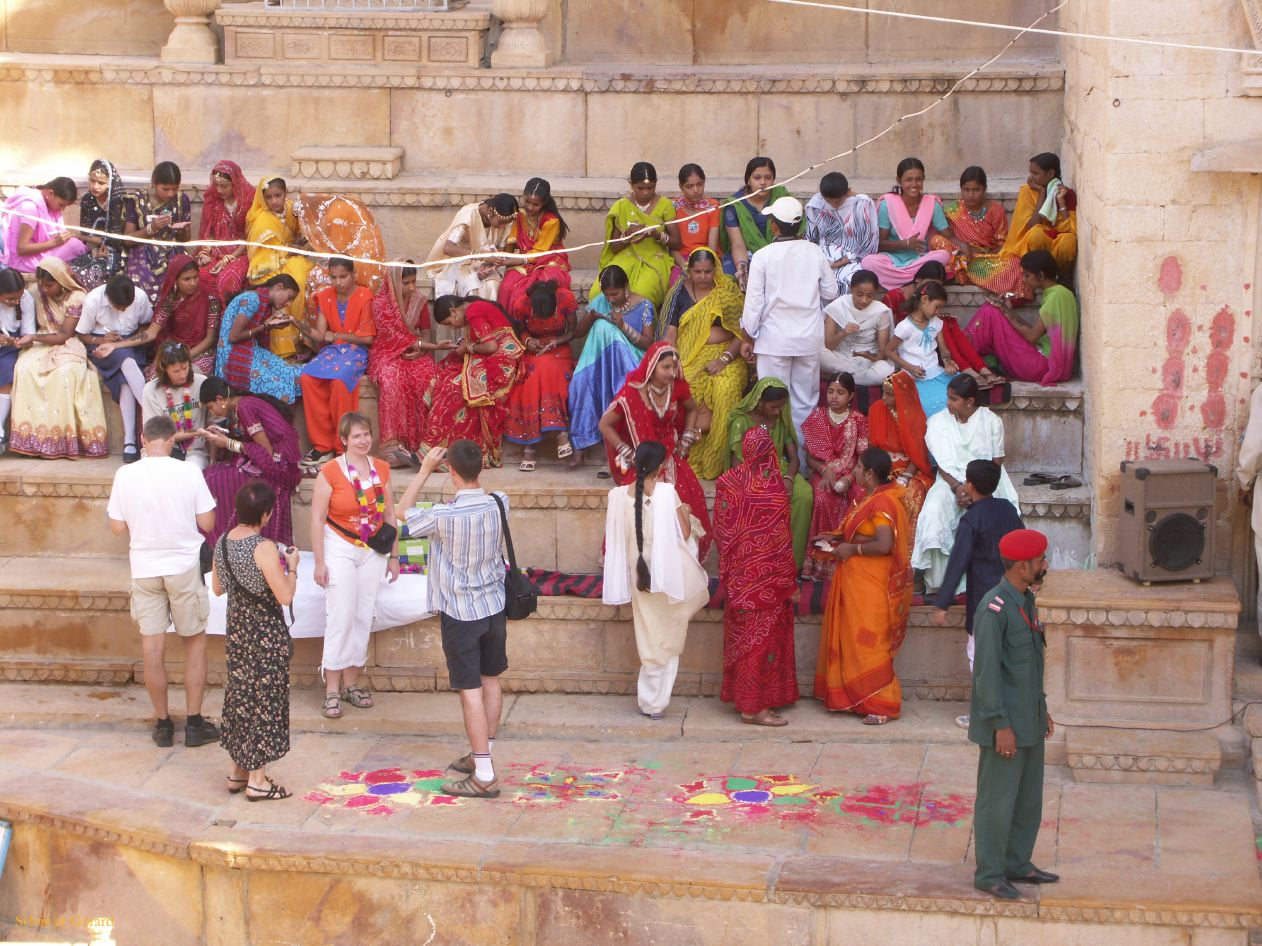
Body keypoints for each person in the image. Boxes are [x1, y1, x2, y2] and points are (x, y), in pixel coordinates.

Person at [398, 440, 512, 799]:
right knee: (490, 680)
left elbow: (403, 511)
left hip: (461, 613)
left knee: (470, 691)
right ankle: (484, 758)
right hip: (494, 606)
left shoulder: (444, 515)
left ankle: (483, 774)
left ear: (450, 471)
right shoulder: (500, 502)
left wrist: (423, 470)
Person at [106, 415, 219, 749]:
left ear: (142, 439)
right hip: (183, 565)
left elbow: (116, 527)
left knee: (151, 650)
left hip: (144, 567)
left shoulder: (125, 474)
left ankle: (163, 724)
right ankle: (195, 724)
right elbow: (208, 523)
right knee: (194, 644)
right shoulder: (188, 472)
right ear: (172, 440)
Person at [970, 528, 1058, 900]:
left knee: (1027, 798)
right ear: (1022, 566)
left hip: (1030, 720)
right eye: (1039, 561)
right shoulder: (994, 609)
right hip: (1005, 725)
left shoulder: (1026, 602)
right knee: (997, 799)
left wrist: (1043, 710)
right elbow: (987, 675)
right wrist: (1000, 726)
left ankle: (1017, 862)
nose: (1044, 565)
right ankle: (990, 872)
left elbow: (1028, 666)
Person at [602, 440, 709, 720]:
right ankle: (656, 703)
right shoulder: (667, 493)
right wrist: (685, 511)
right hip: (666, 576)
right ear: (660, 467)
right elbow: (686, 534)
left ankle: (649, 702)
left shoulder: (617, 497)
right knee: (669, 634)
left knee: (648, 635)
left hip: (640, 577)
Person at [212, 478, 298, 802]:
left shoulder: (222, 542)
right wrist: (293, 569)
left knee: (241, 696)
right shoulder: (263, 547)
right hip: (264, 635)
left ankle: (238, 771)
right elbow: (285, 596)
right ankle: (258, 781)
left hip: (237, 631)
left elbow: (217, 589)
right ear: (264, 513)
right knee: (266, 702)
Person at [812, 447, 912, 724]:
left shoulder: (884, 503)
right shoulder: (872, 497)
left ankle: (883, 704)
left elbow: (884, 544)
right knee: (854, 641)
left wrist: (852, 550)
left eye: (857, 467)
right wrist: (833, 537)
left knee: (869, 642)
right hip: (856, 581)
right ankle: (854, 698)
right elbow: (860, 533)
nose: (853, 471)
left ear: (869, 474)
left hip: (871, 584)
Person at [310, 413, 399, 719]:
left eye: (367, 435)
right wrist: (319, 561)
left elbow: (390, 515)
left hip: (373, 550)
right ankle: (332, 688)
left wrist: (396, 556)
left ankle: (352, 683)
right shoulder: (331, 471)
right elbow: (317, 519)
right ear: (344, 440)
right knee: (341, 614)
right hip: (340, 547)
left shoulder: (382, 469)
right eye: (356, 436)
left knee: (363, 614)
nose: (363, 440)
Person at [931, 459, 1025, 729]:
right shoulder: (1007, 509)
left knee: (981, 658)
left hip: (984, 601)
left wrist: (942, 603)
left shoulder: (971, 520)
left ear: (969, 485)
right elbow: (1022, 543)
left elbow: (958, 563)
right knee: (1006, 655)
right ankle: (1009, 709)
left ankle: (986, 713)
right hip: (1012, 596)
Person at [714, 427, 799, 727]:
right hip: (767, 581)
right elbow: (781, 541)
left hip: (739, 579)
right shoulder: (774, 487)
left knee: (745, 639)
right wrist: (789, 581)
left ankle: (746, 699)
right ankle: (753, 708)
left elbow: (721, 531)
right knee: (760, 644)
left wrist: (732, 567)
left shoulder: (727, 482)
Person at [598, 342, 713, 562]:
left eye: (674, 367)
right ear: (652, 367)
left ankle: (675, 564)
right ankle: (641, 565)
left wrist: (687, 437)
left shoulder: (678, 387)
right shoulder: (632, 391)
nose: (672, 373)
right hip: (643, 461)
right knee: (635, 510)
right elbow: (605, 424)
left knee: (683, 503)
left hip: (670, 457)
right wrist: (627, 452)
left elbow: (692, 409)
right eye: (666, 367)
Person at [740, 195, 838, 442]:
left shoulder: (763, 256)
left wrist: (747, 336)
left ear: (774, 225)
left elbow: (754, 304)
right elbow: (831, 292)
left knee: (771, 402)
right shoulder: (814, 252)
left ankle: (774, 461)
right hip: (807, 340)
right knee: (805, 402)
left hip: (774, 341)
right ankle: (803, 464)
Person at [913, 374, 1019, 594]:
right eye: (948, 397)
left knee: (997, 512)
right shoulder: (937, 422)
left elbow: (996, 462)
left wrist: (978, 491)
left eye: (953, 399)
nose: (948, 403)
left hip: (987, 481)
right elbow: (942, 462)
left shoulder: (991, 421)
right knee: (934, 510)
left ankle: (995, 579)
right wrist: (958, 487)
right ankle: (935, 580)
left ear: (970, 401)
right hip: (950, 480)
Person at [658, 247, 746, 479]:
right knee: (685, 383)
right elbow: (671, 334)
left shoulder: (726, 291)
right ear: (689, 272)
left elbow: (741, 333)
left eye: (708, 271)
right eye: (698, 272)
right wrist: (671, 363)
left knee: (725, 389)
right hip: (688, 355)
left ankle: (718, 461)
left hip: (727, 356)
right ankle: (690, 444)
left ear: (715, 269)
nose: (703, 277)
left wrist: (724, 359)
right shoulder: (679, 294)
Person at [8, 260, 108, 459]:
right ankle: (33, 441)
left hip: (68, 343)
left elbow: (65, 335)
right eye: (41, 284)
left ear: (61, 281)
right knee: (24, 368)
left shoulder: (78, 297)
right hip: (40, 342)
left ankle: (60, 441)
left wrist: (34, 337)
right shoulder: (35, 293)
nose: (44, 289)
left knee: (65, 373)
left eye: (49, 285)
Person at [420, 295, 524, 468]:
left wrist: (468, 348)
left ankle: (449, 455)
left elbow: (491, 347)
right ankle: (434, 448)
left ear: (454, 311)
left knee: (455, 387)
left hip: (502, 361)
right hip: (494, 356)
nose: (451, 328)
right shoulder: (473, 309)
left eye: (448, 323)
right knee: (447, 370)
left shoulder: (473, 311)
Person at [567, 265, 654, 470]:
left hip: (631, 360)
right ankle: (581, 444)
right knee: (579, 384)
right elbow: (578, 333)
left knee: (606, 328)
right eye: (607, 295)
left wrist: (623, 327)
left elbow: (648, 344)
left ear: (626, 287)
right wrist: (592, 317)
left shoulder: (644, 305)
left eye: (615, 294)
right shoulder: (600, 302)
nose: (611, 299)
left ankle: (618, 451)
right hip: (601, 362)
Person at [199, 377, 302, 547]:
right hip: (274, 460)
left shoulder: (244, 407)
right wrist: (223, 436)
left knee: (215, 480)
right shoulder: (242, 405)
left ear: (219, 399)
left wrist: (227, 443)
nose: (213, 412)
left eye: (211, 407)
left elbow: (266, 452)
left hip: (280, 464)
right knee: (212, 474)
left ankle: (223, 543)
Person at [294, 258, 376, 465]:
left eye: (343, 276)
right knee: (307, 377)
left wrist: (338, 334)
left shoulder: (365, 295)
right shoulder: (325, 296)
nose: (338, 282)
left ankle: (342, 446)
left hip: (357, 352)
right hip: (333, 351)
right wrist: (295, 323)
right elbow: (321, 335)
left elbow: (367, 338)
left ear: (353, 275)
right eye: (333, 277)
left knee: (339, 382)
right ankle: (322, 446)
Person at [727, 377, 813, 570]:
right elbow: (736, 465)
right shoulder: (741, 421)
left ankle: (791, 565)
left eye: (781, 407)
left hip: (781, 470)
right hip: (751, 474)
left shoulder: (779, 419)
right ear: (759, 402)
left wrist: (789, 478)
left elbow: (794, 458)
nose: (777, 411)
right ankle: (762, 566)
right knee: (765, 501)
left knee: (804, 495)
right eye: (773, 407)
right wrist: (759, 483)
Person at [370, 260, 446, 468]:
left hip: (416, 353)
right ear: (394, 282)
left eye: (413, 282)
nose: (412, 287)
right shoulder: (380, 305)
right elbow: (388, 336)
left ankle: (424, 446)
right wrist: (418, 344)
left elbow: (426, 332)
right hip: (388, 353)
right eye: (406, 283)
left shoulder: (419, 301)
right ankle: (395, 449)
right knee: (391, 379)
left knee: (428, 375)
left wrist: (422, 349)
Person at [967, 250, 1080, 387]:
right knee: (994, 311)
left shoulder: (1055, 296)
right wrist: (1009, 312)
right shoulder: (1062, 293)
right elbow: (1035, 331)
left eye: (1027, 275)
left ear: (1040, 275)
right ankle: (969, 356)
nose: (1024, 280)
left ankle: (965, 355)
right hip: (1051, 365)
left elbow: (1031, 336)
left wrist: (1006, 313)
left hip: (1041, 366)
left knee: (990, 311)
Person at [886, 260, 1002, 389]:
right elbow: (889, 332)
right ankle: (968, 369)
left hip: (929, 347)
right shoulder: (895, 298)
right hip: (907, 345)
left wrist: (947, 361)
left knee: (946, 322)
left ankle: (981, 369)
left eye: (937, 287)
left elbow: (942, 346)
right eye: (929, 285)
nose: (932, 289)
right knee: (944, 324)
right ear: (918, 279)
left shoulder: (932, 310)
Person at [77, 273, 154, 463]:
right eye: (118, 306)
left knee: (125, 382)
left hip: (131, 344)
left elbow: (146, 325)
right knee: (126, 362)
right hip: (101, 347)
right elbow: (82, 335)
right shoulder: (94, 299)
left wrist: (129, 340)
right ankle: (153, 411)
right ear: (108, 297)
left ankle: (130, 441)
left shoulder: (140, 297)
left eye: (126, 307)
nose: (122, 309)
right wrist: (101, 339)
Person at [801, 372, 869, 581]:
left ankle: (849, 564)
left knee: (859, 501)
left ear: (850, 396)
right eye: (830, 391)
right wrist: (824, 470)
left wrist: (849, 478)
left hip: (853, 474)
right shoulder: (817, 417)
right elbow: (810, 457)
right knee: (822, 499)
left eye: (840, 392)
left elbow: (863, 456)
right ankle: (821, 563)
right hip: (823, 473)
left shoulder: (859, 420)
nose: (834, 396)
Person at [504, 280, 577, 470]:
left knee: (546, 368)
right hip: (534, 349)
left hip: (559, 349)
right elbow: (518, 331)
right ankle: (557, 434)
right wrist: (528, 340)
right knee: (531, 378)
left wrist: (556, 341)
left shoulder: (565, 298)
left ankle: (531, 447)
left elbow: (572, 331)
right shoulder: (522, 304)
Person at [861, 157, 957, 290]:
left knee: (943, 256)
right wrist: (905, 244)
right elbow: (879, 244)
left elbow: (948, 235)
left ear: (923, 179)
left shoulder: (931, 204)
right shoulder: (887, 204)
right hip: (892, 260)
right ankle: (915, 280)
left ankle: (899, 280)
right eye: (908, 180)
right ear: (899, 180)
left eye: (918, 179)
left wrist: (964, 246)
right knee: (868, 262)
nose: (914, 184)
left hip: (919, 259)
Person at [931, 166, 1026, 299]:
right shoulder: (952, 210)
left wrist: (982, 254)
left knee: (1016, 262)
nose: (970, 195)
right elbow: (945, 237)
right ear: (961, 189)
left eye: (976, 190)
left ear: (984, 189)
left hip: (987, 260)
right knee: (936, 240)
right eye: (966, 190)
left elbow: (1002, 244)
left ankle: (961, 274)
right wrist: (964, 248)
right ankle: (964, 271)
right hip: (962, 256)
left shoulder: (996, 211)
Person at [592, 162, 677, 311]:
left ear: (656, 184)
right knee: (597, 291)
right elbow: (615, 247)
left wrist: (656, 234)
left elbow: (677, 242)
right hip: (626, 255)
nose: (645, 192)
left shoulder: (665, 205)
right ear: (631, 185)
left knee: (643, 292)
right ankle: (606, 329)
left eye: (650, 187)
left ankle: (639, 331)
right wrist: (628, 235)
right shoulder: (622, 206)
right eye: (640, 188)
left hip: (655, 258)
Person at [245, 176, 312, 355]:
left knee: (304, 271)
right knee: (295, 277)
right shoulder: (263, 219)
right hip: (268, 263)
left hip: (291, 256)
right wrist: (292, 250)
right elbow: (266, 253)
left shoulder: (291, 209)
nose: (274, 201)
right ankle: (283, 347)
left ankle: (302, 339)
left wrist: (303, 244)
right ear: (262, 198)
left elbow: (304, 233)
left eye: (278, 195)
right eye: (269, 197)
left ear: (285, 194)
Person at [214, 276, 304, 404]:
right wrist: (266, 326)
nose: (288, 304)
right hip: (233, 356)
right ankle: (277, 422)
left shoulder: (266, 303)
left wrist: (270, 326)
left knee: (296, 375)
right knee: (282, 391)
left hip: (252, 350)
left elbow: (257, 333)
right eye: (289, 298)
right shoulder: (253, 299)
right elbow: (234, 337)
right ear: (279, 287)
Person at [868, 371, 934, 533]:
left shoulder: (915, 416)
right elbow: (873, 448)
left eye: (890, 394)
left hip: (909, 468)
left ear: (902, 396)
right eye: (883, 392)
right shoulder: (876, 408)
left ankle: (905, 543)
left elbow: (917, 454)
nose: (884, 398)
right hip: (881, 464)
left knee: (913, 492)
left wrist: (906, 476)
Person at [721, 156, 802, 288]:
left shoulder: (782, 198)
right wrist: (742, 272)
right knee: (730, 280)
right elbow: (738, 245)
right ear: (748, 179)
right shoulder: (735, 205)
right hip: (746, 254)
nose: (763, 182)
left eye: (768, 178)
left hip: (780, 253)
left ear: (773, 179)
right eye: (757, 178)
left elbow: (795, 235)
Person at [498, 177, 572, 321]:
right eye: (527, 202)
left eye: (536, 204)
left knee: (546, 282)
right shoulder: (519, 214)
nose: (530, 207)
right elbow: (512, 239)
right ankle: (508, 328)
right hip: (523, 260)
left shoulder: (552, 221)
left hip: (548, 258)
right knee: (507, 287)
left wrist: (510, 262)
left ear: (544, 203)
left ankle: (537, 327)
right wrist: (503, 258)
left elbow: (541, 251)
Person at [883, 281, 957, 417]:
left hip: (936, 372)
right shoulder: (905, 327)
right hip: (914, 377)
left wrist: (948, 362)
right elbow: (888, 350)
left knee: (961, 390)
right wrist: (910, 367)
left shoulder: (936, 322)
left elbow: (943, 348)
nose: (938, 312)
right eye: (936, 307)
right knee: (933, 403)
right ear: (924, 300)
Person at [122, 161, 192, 303]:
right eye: (165, 189)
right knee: (139, 278)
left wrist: (183, 229)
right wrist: (151, 228)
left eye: (174, 189)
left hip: (172, 251)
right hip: (142, 252)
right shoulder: (136, 200)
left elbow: (185, 240)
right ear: (154, 183)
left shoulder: (181, 200)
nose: (170, 193)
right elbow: (127, 240)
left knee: (182, 276)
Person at [427, 193, 518, 300]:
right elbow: (448, 248)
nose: (503, 226)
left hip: (485, 264)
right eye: (501, 222)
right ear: (490, 212)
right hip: (460, 262)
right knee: (473, 285)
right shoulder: (468, 214)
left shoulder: (505, 219)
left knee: (493, 285)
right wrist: (481, 256)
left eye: (506, 223)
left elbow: (500, 251)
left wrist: (491, 265)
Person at [146, 253, 221, 379]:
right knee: (154, 378)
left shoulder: (210, 298)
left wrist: (185, 357)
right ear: (175, 280)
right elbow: (151, 333)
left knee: (189, 376)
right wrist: (117, 345)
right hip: (174, 349)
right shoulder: (170, 299)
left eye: (195, 277)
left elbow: (210, 338)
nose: (193, 283)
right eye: (187, 279)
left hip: (201, 351)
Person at [1001, 152, 1077, 275]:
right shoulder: (1027, 191)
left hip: (1058, 239)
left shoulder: (1067, 193)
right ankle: (1037, 273)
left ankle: (1058, 276)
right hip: (1036, 240)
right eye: (1031, 172)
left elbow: (1070, 229)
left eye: (1035, 173)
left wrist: (1061, 202)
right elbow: (1032, 226)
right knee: (1036, 234)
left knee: (1069, 241)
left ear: (1050, 174)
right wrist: (1042, 193)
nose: (1031, 177)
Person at [806, 171, 880, 295]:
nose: (834, 206)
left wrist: (842, 261)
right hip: (822, 257)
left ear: (848, 191)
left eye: (838, 201)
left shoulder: (862, 204)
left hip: (855, 258)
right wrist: (822, 261)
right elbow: (811, 239)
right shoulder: (815, 205)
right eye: (829, 201)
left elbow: (870, 242)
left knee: (851, 283)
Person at [820, 269, 896, 386]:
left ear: (876, 293)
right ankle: (857, 376)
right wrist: (843, 333)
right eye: (859, 294)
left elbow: (883, 352)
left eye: (870, 296)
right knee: (819, 355)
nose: (864, 300)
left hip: (869, 359)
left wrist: (871, 357)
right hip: (842, 355)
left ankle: (843, 378)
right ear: (851, 288)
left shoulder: (881, 312)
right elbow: (828, 345)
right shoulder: (838, 306)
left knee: (885, 371)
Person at [141, 341, 208, 468]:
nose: (183, 375)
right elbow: (155, 436)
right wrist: (197, 432)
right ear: (164, 370)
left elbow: (216, 419)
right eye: (176, 371)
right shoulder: (150, 390)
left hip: (194, 451)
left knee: (191, 471)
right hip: (160, 448)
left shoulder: (202, 383)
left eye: (185, 367)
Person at [1, 177, 88, 275]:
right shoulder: (30, 207)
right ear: (50, 193)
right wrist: (54, 242)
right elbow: (21, 249)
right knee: (75, 247)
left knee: (75, 245)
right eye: (61, 205)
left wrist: (60, 239)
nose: (62, 209)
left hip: (36, 252)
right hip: (21, 260)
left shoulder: (45, 201)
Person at [197, 160, 252, 301]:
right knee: (200, 276)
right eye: (216, 185)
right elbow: (209, 232)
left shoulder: (247, 202)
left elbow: (249, 237)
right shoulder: (214, 202)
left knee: (228, 280)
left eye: (224, 186)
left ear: (235, 184)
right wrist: (204, 252)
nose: (219, 190)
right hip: (217, 251)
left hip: (241, 253)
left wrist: (228, 259)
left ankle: (226, 320)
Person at [69, 158, 127, 290]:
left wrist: (77, 236)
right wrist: (92, 248)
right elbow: (86, 232)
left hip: (114, 252)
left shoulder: (118, 202)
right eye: (92, 181)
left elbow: (112, 239)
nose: (95, 186)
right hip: (91, 249)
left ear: (110, 183)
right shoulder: (87, 200)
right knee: (70, 269)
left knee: (94, 273)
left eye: (101, 183)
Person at [0, 268, 36, 449]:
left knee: (8, 370)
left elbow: (29, 333)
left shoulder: (26, 299)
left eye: (17, 298)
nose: (15, 302)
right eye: (9, 299)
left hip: (10, 348)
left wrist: (20, 342)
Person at [670, 163, 722, 271]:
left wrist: (704, 266)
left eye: (699, 184)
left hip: (706, 258)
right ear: (681, 187)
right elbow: (671, 246)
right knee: (676, 283)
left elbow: (712, 247)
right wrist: (684, 265)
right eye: (689, 186)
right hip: (681, 259)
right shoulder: (673, 207)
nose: (696, 190)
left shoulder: (712, 207)